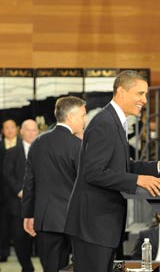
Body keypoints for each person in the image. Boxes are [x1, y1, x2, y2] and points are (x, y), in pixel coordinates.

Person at [64, 70, 160, 272]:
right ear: (121, 91)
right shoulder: (104, 123)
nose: (144, 100)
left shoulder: (115, 121)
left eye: (145, 94)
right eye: (140, 93)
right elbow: (93, 172)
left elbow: (122, 166)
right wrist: (138, 180)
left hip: (102, 225)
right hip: (93, 225)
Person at [21, 97, 86, 272]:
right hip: (75, 220)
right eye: (82, 115)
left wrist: (27, 215)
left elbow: (29, 182)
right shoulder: (79, 146)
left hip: (46, 220)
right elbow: (85, 184)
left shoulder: (38, 142)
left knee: (51, 268)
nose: (84, 120)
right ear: (70, 117)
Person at [3, 119, 39, 271]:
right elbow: (7, 173)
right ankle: (27, 268)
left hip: (40, 204)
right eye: (27, 130)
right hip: (18, 205)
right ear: (21, 132)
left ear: (38, 132)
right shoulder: (12, 152)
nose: (31, 133)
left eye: (34, 130)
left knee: (41, 240)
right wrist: (20, 191)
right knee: (20, 239)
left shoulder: (44, 150)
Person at [0, 118, 19, 261]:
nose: (10, 130)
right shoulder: (0, 147)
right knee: (3, 226)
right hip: (2, 195)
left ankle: (26, 252)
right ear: (2, 131)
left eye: (12, 127)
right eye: (7, 127)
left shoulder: (23, 146)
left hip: (19, 193)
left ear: (17, 129)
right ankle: (3, 252)